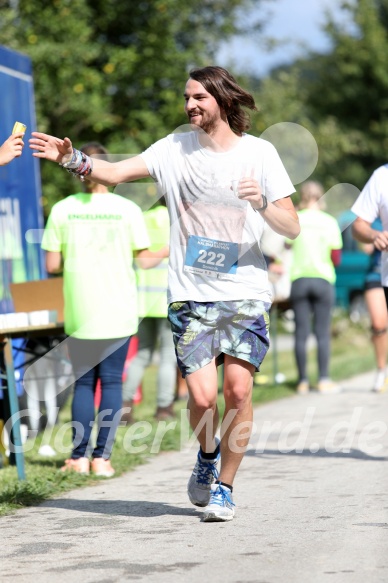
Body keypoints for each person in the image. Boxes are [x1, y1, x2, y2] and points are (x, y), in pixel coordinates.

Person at [30, 66, 299, 521]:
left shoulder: (261, 154)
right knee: (202, 399)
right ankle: (208, 455)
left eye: (199, 97)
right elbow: (113, 171)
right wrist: (70, 159)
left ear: (223, 100)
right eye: (187, 97)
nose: (191, 105)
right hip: (191, 292)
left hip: (245, 290)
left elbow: (291, 226)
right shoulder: (174, 149)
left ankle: (226, 489)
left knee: (238, 391)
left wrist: (261, 203)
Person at [41, 142, 168, 477]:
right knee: (111, 382)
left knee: (83, 383)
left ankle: (79, 458)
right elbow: (143, 260)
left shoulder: (63, 209)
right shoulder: (128, 210)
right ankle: (103, 459)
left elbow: (52, 264)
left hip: (82, 309)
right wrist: (172, 247)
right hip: (120, 310)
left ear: (79, 171)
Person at [121, 197, 177, 422]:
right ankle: (164, 408)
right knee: (167, 356)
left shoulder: (142, 219)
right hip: (168, 297)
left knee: (142, 354)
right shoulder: (178, 221)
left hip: (142, 299)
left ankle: (125, 407)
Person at [286, 181, 343, 394]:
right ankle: (323, 379)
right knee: (321, 332)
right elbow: (336, 256)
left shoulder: (296, 219)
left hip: (299, 279)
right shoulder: (329, 222)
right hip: (322, 279)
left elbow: (286, 245)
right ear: (321, 197)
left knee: (300, 333)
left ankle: (302, 381)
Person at [361, 218, 388, 392]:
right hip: (376, 274)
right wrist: (375, 237)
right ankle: (381, 369)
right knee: (378, 324)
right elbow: (364, 245)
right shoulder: (375, 220)